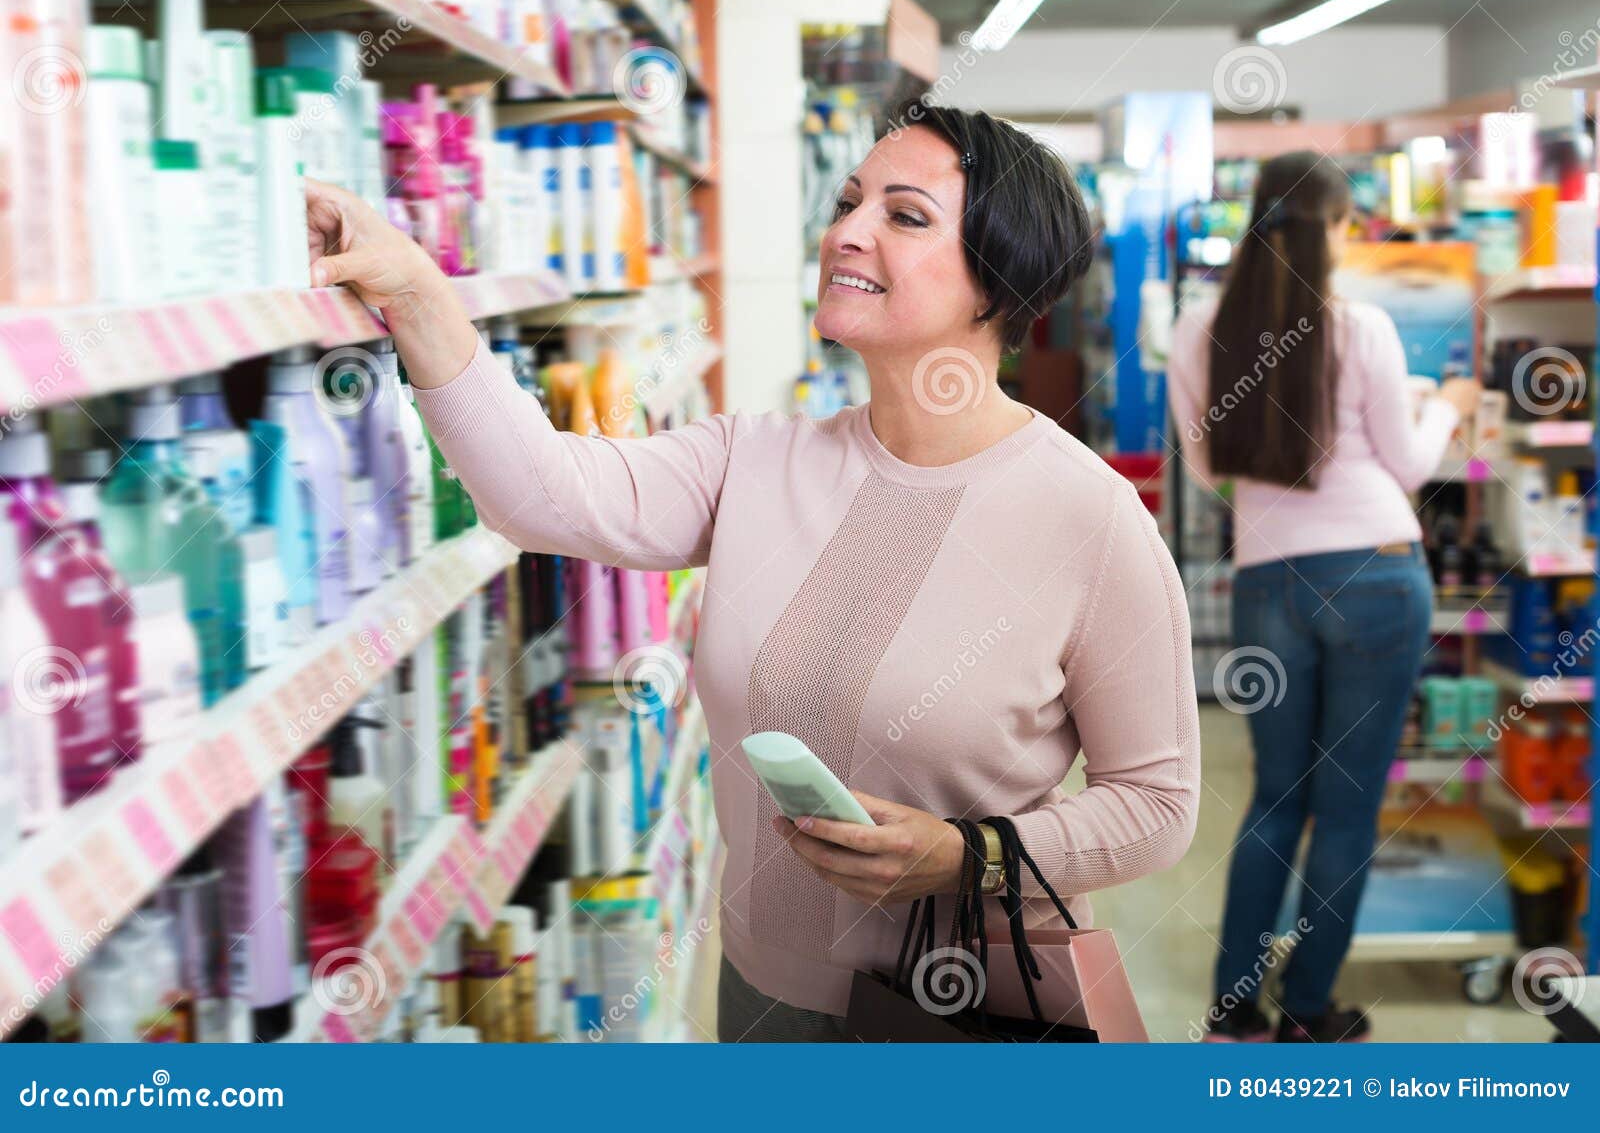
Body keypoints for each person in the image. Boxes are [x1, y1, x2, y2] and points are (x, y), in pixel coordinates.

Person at [305, 101, 1200, 1042]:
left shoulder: (1087, 517)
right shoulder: (754, 460)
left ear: (998, 282)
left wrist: (964, 856)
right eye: (849, 201)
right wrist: (411, 287)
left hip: (966, 1011)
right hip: (761, 998)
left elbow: (1161, 806)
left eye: (904, 216)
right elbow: (541, 493)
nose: (846, 231)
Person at [1167, 151, 1481, 1043]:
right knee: (1345, 806)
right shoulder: (1363, 327)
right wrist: (1448, 402)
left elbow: (1207, 463)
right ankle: (1307, 1009)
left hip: (1268, 579)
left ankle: (1234, 1011)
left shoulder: (1201, 329)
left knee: (1275, 796)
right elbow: (1412, 464)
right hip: (1379, 575)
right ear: (1333, 230)